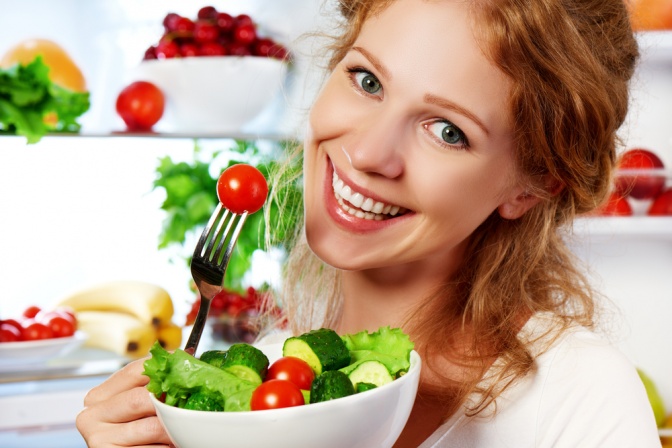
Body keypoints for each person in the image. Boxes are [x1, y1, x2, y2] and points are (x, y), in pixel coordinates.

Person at [76, 0, 661, 446]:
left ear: (533, 184)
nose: (370, 152)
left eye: (447, 131)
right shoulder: (266, 382)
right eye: (368, 81)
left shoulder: (580, 397)